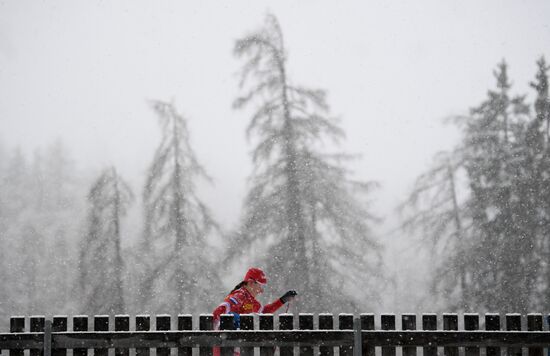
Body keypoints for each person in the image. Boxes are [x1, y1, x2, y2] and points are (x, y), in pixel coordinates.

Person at [212, 267, 297, 356]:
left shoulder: (250, 300)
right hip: (224, 349)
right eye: (260, 286)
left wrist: (283, 300)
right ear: (251, 283)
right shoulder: (239, 296)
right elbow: (222, 311)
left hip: (236, 348)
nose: (261, 290)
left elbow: (264, 311)